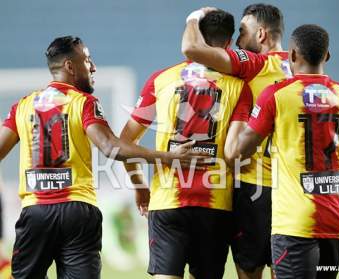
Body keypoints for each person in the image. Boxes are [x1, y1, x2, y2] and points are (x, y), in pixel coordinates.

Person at [0, 36, 207, 279]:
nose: (93, 67)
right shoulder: (83, 103)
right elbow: (110, 146)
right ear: (69, 66)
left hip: (35, 212)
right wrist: (166, 156)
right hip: (77, 211)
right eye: (87, 60)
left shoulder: (22, 106)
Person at [120, 10, 252, 279]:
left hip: (167, 202)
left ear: (196, 37)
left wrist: (139, 186)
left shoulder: (161, 80)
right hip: (215, 205)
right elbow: (234, 153)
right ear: (229, 44)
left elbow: (125, 142)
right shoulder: (240, 87)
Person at [238, 24, 339, 279]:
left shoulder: (276, 96)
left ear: (292, 55)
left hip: (294, 223)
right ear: (327, 56)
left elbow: (242, 150)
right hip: (334, 221)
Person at [182, 4, 290, 279]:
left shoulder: (255, 63)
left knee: (249, 272)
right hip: (292, 189)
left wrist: (194, 18)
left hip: (255, 187)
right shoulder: (302, 67)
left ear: (262, 34)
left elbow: (192, 50)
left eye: (243, 31)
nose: (239, 38)